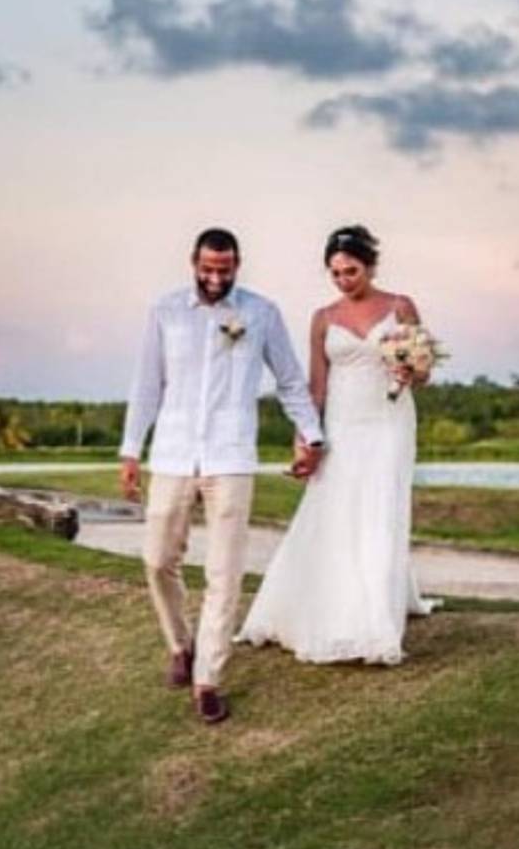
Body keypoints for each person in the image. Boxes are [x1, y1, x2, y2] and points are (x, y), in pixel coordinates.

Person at [119, 227, 324, 724]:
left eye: (225, 268)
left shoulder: (261, 313)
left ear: (237, 264)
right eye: (208, 268)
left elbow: (291, 380)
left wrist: (312, 435)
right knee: (156, 560)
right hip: (171, 454)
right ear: (193, 262)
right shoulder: (164, 312)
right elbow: (147, 384)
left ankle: (208, 677)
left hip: (230, 458)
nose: (216, 277)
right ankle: (180, 645)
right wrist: (130, 450)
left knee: (224, 574)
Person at [237, 225, 438, 665]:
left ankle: (376, 620)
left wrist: (412, 373)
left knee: (381, 505)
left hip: (390, 419)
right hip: (343, 422)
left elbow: (423, 371)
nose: (344, 280)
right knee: (335, 507)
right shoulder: (323, 318)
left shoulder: (400, 306)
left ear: (370, 266)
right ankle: (329, 604)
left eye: (351, 271)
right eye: (336, 273)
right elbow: (316, 388)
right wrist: (305, 440)